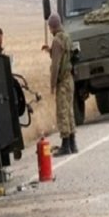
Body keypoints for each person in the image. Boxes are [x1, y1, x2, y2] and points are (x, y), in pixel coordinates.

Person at [42, 13, 77, 156]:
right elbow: (64, 56)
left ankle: (65, 145)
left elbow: (56, 64)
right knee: (69, 111)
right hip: (70, 79)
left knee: (62, 112)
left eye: (50, 27)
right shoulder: (67, 37)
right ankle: (73, 143)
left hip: (62, 81)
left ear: (52, 26)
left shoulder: (57, 40)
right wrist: (50, 51)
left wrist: (52, 84)